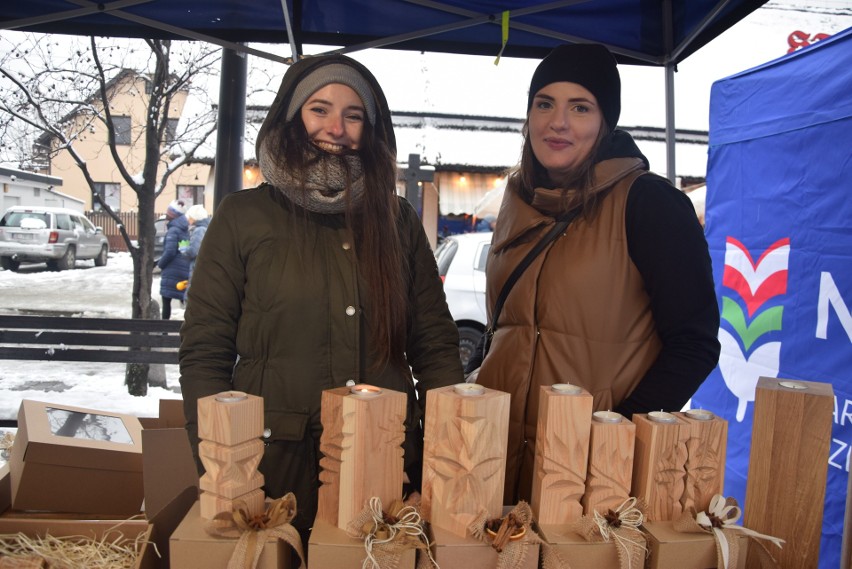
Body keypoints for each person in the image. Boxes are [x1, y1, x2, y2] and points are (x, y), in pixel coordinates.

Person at [179, 54, 464, 544]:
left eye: (354, 115)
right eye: (319, 109)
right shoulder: (243, 217)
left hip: (389, 465)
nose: (336, 128)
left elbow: (435, 347)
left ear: (371, 130)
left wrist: (447, 465)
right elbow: (206, 349)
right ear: (291, 118)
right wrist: (221, 465)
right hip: (274, 471)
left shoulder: (396, 221)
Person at [467, 43, 721, 505]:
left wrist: (615, 433)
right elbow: (506, 328)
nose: (557, 122)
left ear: (605, 122)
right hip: (493, 457)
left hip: (589, 470)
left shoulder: (650, 204)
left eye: (579, 107)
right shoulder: (516, 200)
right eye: (544, 104)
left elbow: (695, 344)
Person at [157, 199, 190, 320]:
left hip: (172, 270)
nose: (166, 214)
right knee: (185, 300)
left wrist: (160, 264)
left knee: (166, 301)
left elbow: (170, 252)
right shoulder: (184, 229)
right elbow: (184, 249)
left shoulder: (173, 230)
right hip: (183, 269)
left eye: (168, 212)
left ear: (172, 215)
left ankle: (164, 332)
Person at [179, 204, 210, 289]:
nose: (188, 219)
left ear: (195, 218)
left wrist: (184, 250)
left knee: (191, 293)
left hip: (197, 267)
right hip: (203, 267)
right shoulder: (207, 228)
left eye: (190, 217)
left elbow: (193, 251)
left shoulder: (199, 230)